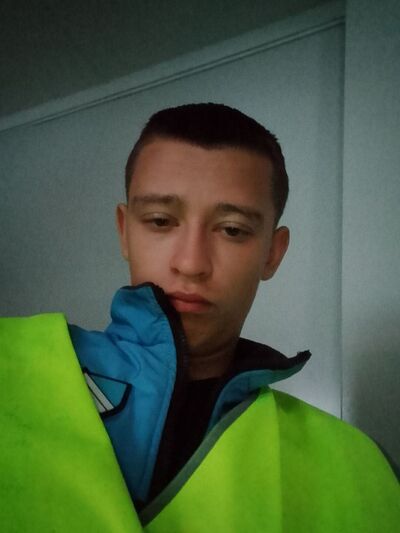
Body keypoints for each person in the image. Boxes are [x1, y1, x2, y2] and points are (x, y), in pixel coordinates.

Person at [1, 103, 398, 532]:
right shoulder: (10, 367)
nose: (191, 264)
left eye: (232, 230)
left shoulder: (362, 468)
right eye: (160, 221)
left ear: (272, 253)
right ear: (124, 232)